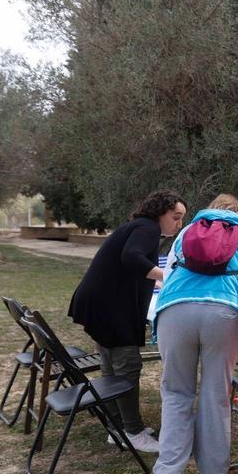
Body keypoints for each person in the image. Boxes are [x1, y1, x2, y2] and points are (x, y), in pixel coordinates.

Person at [149, 194, 238, 474]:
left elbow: (168, 277)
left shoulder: (185, 232)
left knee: (176, 391)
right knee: (216, 394)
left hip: (175, 312)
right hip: (224, 314)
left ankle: (167, 473)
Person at [68, 189, 187, 453]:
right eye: (176, 217)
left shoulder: (138, 226)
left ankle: (117, 426)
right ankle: (133, 432)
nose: (179, 225)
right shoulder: (147, 229)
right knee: (127, 367)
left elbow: (129, 261)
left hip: (99, 304)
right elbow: (131, 257)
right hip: (110, 308)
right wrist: (167, 277)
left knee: (111, 366)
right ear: (160, 212)